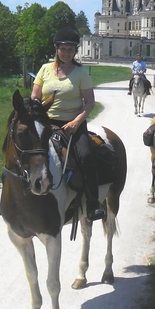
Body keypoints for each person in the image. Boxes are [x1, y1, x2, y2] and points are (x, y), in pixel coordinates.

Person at [31, 27, 105, 221]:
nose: (66, 53)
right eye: (63, 49)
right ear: (56, 49)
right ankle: (11, 197)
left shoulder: (81, 73)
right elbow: (35, 96)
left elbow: (90, 102)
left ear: (75, 51)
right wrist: (37, 109)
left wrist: (76, 121)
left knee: (86, 155)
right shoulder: (45, 69)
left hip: (74, 121)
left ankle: (93, 202)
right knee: (23, 149)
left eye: (70, 49)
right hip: (46, 121)